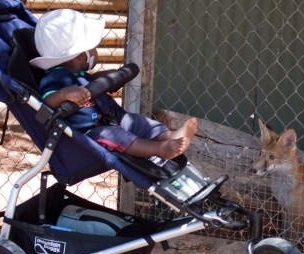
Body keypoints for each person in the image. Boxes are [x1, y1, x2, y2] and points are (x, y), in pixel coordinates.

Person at [30, 9, 197, 160]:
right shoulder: (55, 77)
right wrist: (64, 94)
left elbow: (94, 81)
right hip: (88, 135)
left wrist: (110, 77)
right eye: (94, 48)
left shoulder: (81, 75)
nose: (96, 52)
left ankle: (171, 136)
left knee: (139, 122)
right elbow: (45, 105)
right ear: (81, 56)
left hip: (112, 119)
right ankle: (161, 149)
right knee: (117, 136)